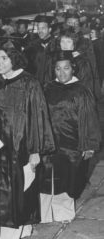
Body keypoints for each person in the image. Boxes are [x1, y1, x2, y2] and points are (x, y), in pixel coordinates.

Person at [0, 46, 55, 238]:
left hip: (22, 145)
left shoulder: (29, 83)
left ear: (15, 59)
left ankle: (24, 225)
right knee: (3, 188)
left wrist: (36, 150)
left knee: (24, 186)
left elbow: (38, 117)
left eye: (4, 58)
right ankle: (8, 227)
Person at [40, 51, 101, 223]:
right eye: (58, 69)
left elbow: (90, 119)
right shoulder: (48, 88)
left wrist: (89, 145)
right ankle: (45, 214)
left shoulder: (82, 91)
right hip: (50, 142)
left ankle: (64, 214)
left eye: (66, 68)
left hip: (72, 144)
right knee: (46, 179)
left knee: (68, 180)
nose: (61, 73)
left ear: (73, 68)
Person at [59, 28, 101, 99]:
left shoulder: (82, 62)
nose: (64, 45)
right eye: (62, 41)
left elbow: (86, 87)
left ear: (74, 44)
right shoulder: (59, 59)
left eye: (68, 41)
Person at [24, 15, 57, 89]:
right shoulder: (32, 46)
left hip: (52, 86)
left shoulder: (57, 46)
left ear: (50, 29)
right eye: (38, 28)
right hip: (36, 86)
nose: (40, 31)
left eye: (43, 28)